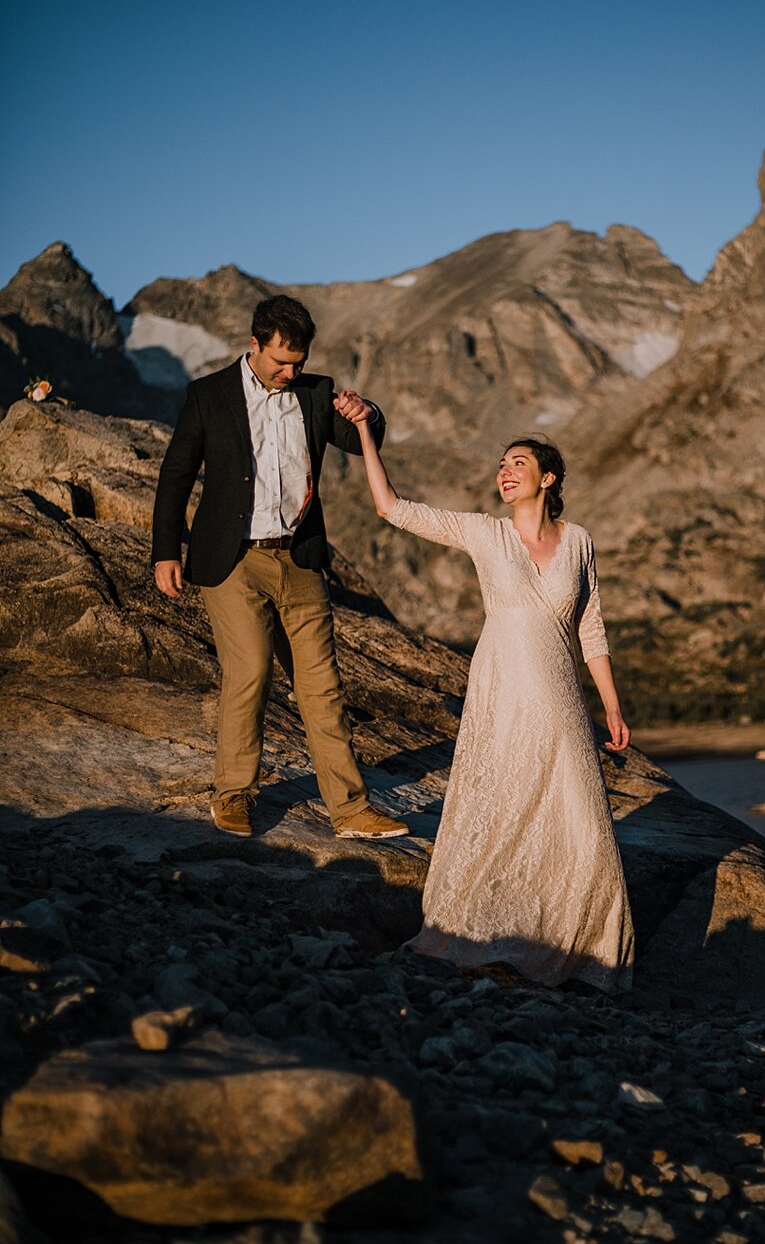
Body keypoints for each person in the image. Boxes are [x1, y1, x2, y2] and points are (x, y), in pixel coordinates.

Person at [336, 389, 634, 991]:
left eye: (517, 463)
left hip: (559, 691)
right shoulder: (484, 534)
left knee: (579, 813)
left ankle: (584, 949)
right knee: (500, 807)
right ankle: (490, 932)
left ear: (548, 478)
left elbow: (591, 624)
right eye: (501, 464)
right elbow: (392, 507)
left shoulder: (578, 541)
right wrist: (366, 430)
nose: (505, 471)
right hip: (501, 682)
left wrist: (611, 704)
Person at [151, 294, 409, 843]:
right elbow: (175, 475)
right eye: (280, 362)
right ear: (255, 344)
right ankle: (234, 794)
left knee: (323, 688)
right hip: (232, 559)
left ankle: (350, 810)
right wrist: (165, 551)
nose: (290, 372)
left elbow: (364, 439)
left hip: (299, 559)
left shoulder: (316, 393)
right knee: (250, 673)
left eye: (298, 361)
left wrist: (369, 415)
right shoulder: (209, 395)